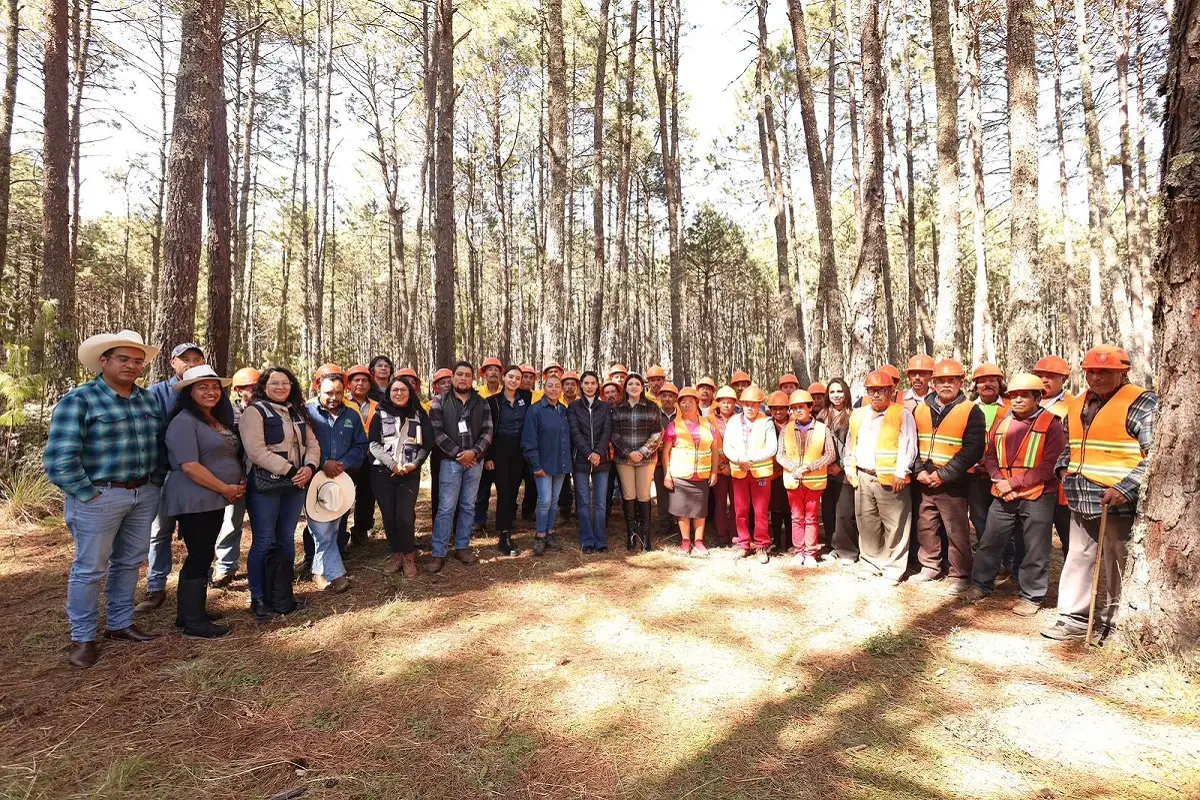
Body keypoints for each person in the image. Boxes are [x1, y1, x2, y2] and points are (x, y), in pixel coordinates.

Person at [44, 330, 167, 669]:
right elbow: (59, 459)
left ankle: (120, 623)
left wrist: (154, 482)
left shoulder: (145, 399)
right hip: (100, 495)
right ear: (104, 361)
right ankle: (82, 637)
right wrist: (90, 494)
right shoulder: (80, 400)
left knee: (130, 561)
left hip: (143, 494)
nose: (132, 365)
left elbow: (158, 445)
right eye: (123, 359)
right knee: (90, 568)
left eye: (138, 361)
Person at [1043, 346, 1157, 643]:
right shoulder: (1078, 403)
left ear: (1124, 371)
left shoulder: (1142, 403)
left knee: (1117, 562)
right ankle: (1073, 618)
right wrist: (1062, 468)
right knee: (1078, 557)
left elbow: (1155, 455)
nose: (1096, 377)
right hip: (1081, 496)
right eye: (1091, 371)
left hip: (1117, 501)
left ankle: (1114, 623)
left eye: (1105, 372)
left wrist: (1124, 488)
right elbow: (1072, 444)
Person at [959, 373, 1065, 616]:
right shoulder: (1003, 423)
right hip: (1003, 493)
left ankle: (1032, 595)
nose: (1017, 400)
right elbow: (991, 456)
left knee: (1035, 547)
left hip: (1038, 495)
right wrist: (999, 479)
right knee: (990, 541)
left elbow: (1049, 467)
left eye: (1024, 396)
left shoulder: (1052, 425)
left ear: (1038, 398)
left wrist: (1013, 484)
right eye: (1014, 396)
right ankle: (981, 585)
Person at [164, 365, 243, 638]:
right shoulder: (184, 422)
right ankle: (193, 622)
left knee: (202, 553)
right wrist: (225, 488)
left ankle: (189, 614)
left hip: (213, 498)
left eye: (214, 387)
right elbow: (190, 466)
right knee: (199, 555)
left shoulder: (212, 418)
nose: (211, 392)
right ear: (189, 392)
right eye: (202, 387)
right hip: (195, 497)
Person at [240, 366, 321, 620]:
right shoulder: (254, 413)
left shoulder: (297, 412)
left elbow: (313, 445)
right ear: (263, 386)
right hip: (266, 486)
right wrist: (289, 471)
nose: (280, 387)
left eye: (285, 383)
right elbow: (256, 451)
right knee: (264, 540)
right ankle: (259, 597)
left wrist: (309, 468)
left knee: (286, 537)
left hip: (295, 485)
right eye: (274, 383)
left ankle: (283, 593)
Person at [137, 342, 209, 613]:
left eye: (197, 358)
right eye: (185, 359)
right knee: (160, 530)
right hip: (166, 473)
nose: (191, 363)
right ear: (173, 363)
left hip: (201, 475)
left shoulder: (208, 390)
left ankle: (202, 578)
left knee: (202, 530)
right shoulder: (156, 394)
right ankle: (156, 586)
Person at [912, 359, 987, 591]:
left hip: (953, 481)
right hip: (925, 478)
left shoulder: (971, 410)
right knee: (926, 525)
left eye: (950, 380)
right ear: (933, 383)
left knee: (956, 530)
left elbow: (973, 449)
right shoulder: (921, 408)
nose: (946, 385)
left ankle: (960, 574)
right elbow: (911, 442)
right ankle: (930, 567)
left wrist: (944, 475)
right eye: (941, 380)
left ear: (960, 382)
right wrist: (919, 470)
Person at [843, 370, 918, 585]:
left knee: (895, 525)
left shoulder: (901, 414)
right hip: (863, 476)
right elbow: (851, 442)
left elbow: (909, 445)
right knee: (867, 522)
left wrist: (901, 472)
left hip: (890, 478)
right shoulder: (858, 415)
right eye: (871, 391)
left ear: (891, 391)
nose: (875, 395)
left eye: (881, 391)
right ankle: (870, 563)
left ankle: (893, 569)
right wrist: (850, 467)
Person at [302, 374, 367, 592]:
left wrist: (342, 464)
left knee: (335, 525)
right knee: (320, 528)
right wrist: (322, 463)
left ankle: (318, 571)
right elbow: (300, 445)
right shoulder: (307, 414)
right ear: (318, 390)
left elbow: (360, 445)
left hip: (341, 478)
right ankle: (336, 574)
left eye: (339, 392)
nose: (334, 397)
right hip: (313, 478)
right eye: (329, 392)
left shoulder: (351, 415)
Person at [428, 361, 494, 573]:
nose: (463, 378)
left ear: (473, 379)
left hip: (475, 462)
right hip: (450, 462)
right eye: (459, 374)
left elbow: (488, 431)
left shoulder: (481, 402)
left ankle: (463, 547)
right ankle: (438, 552)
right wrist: (459, 454)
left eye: (467, 375)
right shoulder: (439, 401)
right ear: (453, 377)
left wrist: (473, 452)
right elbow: (437, 433)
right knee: (446, 507)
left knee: (468, 505)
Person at [369, 375, 434, 578]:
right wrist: (393, 465)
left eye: (403, 390)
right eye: (394, 390)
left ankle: (409, 557)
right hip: (383, 473)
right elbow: (373, 444)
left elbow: (427, 444)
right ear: (389, 393)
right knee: (389, 517)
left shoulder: (419, 414)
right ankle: (396, 555)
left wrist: (415, 465)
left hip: (409, 474)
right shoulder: (379, 414)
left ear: (410, 393)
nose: (399, 393)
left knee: (404, 517)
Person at [212, 367, 260, 587]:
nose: (255, 391)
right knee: (231, 521)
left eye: (258, 386)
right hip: (234, 477)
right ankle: (225, 566)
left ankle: (265, 564)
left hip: (262, 475)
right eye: (251, 387)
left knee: (265, 524)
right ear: (239, 390)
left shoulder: (268, 411)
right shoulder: (227, 414)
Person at [777, 389, 836, 566]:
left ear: (810, 407)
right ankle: (799, 551)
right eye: (794, 408)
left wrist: (809, 467)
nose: (797, 411)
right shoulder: (786, 430)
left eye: (801, 407)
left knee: (811, 518)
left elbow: (830, 454)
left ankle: (810, 552)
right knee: (796, 517)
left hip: (813, 481)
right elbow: (780, 454)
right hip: (793, 480)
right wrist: (795, 468)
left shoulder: (822, 429)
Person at [723, 385, 778, 563]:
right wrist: (739, 459)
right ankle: (744, 543)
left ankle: (761, 544)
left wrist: (751, 459)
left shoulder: (767, 422)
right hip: (740, 471)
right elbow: (727, 446)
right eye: (747, 404)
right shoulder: (732, 422)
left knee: (761, 510)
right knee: (740, 509)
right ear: (741, 404)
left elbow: (772, 448)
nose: (750, 408)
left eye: (754, 404)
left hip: (760, 472)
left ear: (760, 405)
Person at [662, 387, 720, 557]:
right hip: (681, 475)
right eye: (683, 402)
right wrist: (667, 474)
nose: (687, 404)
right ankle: (686, 541)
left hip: (701, 475)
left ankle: (699, 542)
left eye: (691, 401)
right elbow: (666, 452)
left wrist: (714, 472)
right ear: (679, 405)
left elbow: (715, 450)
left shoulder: (708, 425)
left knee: (700, 511)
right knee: (683, 511)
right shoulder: (674, 426)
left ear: (697, 404)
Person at [610, 373, 664, 551]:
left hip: (646, 458)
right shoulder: (618, 408)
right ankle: (631, 535)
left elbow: (657, 433)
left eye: (637, 384)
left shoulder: (652, 407)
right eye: (630, 384)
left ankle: (645, 536)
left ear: (643, 387)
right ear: (625, 387)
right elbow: (614, 433)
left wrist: (641, 452)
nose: (634, 386)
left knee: (644, 495)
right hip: (624, 458)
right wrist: (628, 452)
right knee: (629, 495)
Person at [522, 375, 572, 555]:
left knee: (554, 501)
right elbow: (529, 441)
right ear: (544, 388)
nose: (553, 389)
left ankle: (550, 532)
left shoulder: (564, 411)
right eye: (549, 386)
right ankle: (540, 535)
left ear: (561, 389)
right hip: (543, 464)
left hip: (561, 464)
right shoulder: (535, 410)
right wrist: (536, 465)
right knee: (544, 501)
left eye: (557, 386)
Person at [487, 366, 532, 556]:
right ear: (504, 378)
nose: (514, 381)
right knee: (504, 491)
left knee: (513, 490)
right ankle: (504, 535)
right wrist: (488, 456)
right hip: (500, 451)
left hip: (520, 451)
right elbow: (487, 429)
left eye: (518, 378)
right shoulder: (493, 402)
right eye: (511, 377)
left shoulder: (526, 398)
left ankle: (508, 524)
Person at [1033, 354, 1074, 560]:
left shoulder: (1074, 406)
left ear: (1064, 379)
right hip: (1032, 484)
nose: (1044, 380)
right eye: (1040, 375)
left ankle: (1073, 586)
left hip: (1062, 486)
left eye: (1051, 376)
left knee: (1070, 538)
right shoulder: (1023, 403)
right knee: (1033, 539)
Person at [568, 371, 613, 553]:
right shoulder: (573, 407)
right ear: (581, 385)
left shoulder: (604, 408)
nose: (590, 386)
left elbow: (607, 431)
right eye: (586, 383)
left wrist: (598, 453)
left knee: (600, 502)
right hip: (581, 459)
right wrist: (589, 453)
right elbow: (574, 431)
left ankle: (601, 539)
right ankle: (587, 539)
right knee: (584, 501)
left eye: (593, 383)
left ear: (597, 385)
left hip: (602, 460)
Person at [968, 363, 1009, 547]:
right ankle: (986, 553)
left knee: (1003, 517)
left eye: (992, 380)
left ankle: (1006, 557)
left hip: (1003, 473)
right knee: (978, 516)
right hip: (974, 472)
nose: (987, 384)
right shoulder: (966, 407)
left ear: (1000, 383)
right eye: (982, 381)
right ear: (975, 386)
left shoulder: (1011, 406)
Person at [819, 378, 859, 565]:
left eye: (840, 391)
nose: (836, 395)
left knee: (844, 513)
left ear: (846, 393)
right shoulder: (822, 416)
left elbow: (855, 444)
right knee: (828, 511)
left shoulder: (854, 415)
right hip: (825, 471)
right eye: (833, 392)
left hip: (845, 472)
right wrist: (824, 464)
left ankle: (848, 551)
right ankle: (832, 546)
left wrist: (841, 466)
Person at [344, 364, 379, 546]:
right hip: (349, 457)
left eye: (364, 380)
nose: (360, 383)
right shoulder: (342, 404)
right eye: (356, 380)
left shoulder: (377, 406)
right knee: (344, 494)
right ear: (348, 384)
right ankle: (340, 535)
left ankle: (361, 531)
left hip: (371, 457)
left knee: (367, 494)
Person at [472, 359, 506, 535]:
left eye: (496, 370)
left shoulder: (507, 392)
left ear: (501, 374)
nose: (493, 372)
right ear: (483, 374)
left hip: (503, 447)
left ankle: (506, 520)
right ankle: (479, 520)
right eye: (489, 370)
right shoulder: (477, 394)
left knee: (505, 486)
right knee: (482, 487)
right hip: (483, 445)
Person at [707, 386, 738, 547]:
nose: (726, 405)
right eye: (723, 402)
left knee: (736, 503)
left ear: (735, 404)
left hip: (736, 468)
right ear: (717, 403)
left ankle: (735, 535)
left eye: (730, 402)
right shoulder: (710, 420)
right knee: (720, 503)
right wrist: (721, 464)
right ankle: (722, 536)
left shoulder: (740, 419)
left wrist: (731, 465)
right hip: (718, 469)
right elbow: (709, 443)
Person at [766, 390, 793, 552]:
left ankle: (790, 541)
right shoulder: (766, 424)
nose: (778, 412)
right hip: (772, 473)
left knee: (789, 508)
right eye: (774, 409)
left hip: (789, 471)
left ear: (787, 409)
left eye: (782, 408)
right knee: (775, 508)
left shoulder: (793, 424)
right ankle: (775, 539)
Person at [425, 367, 453, 522]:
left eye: (450, 382)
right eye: (443, 383)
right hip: (438, 452)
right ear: (436, 386)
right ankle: (438, 521)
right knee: (438, 488)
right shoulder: (430, 405)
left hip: (458, 452)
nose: (447, 385)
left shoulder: (461, 403)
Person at [653, 382, 680, 537]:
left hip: (679, 462)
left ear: (676, 398)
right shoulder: (654, 414)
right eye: (664, 396)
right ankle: (664, 524)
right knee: (662, 494)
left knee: (678, 493)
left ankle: (678, 523)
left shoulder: (682, 414)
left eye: (670, 396)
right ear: (660, 398)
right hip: (658, 462)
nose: (667, 399)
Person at [558, 371, 581, 520]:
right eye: (566, 384)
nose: (569, 387)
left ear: (577, 387)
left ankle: (580, 510)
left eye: (573, 384)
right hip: (561, 446)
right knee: (563, 479)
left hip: (578, 445)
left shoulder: (581, 403)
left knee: (579, 479)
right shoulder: (556, 401)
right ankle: (564, 510)